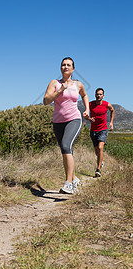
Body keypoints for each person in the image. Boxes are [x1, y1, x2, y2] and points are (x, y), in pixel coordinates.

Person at [43, 57, 89, 194]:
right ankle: (74, 179)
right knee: (65, 151)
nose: (65, 67)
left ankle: (68, 183)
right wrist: (59, 90)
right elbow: (46, 101)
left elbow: (85, 95)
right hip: (58, 122)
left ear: (73, 69)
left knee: (65, 146)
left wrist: (87, 110)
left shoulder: (78, 84)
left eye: (68, 65)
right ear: (60, 68)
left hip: (74, 119)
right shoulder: (54, 83)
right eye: (63, 65)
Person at [88, 88, 115, 177]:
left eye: (100, 94)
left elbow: (112, 111)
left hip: (103, 129)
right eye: (97, 94)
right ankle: (101, 162)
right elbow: (85, 114)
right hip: (93, 130)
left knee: (100, 148)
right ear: (95, 95)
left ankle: (98, 169)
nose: (98, 96)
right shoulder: (90, 104)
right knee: (97, 151)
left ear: (103, 95)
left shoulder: (106, 104)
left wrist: (111, 122)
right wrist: (88, 118)